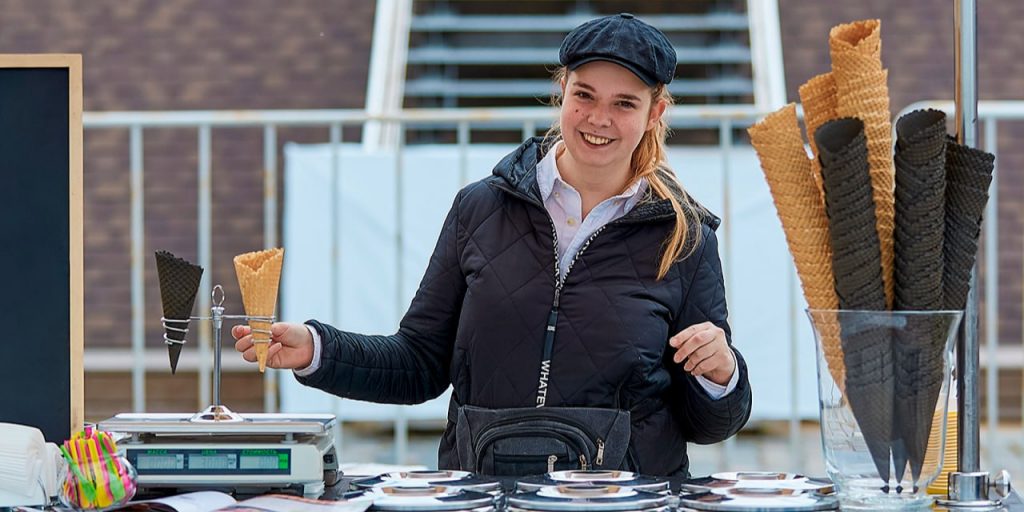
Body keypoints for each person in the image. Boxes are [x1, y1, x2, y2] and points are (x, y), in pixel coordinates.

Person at [233, 13, 751, 477]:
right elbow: (419, 362)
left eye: (624, 104)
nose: (599, 119)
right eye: (584, 95)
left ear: (655, 112)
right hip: (484, 490)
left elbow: (707, 424)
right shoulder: (479, 209)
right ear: (562, 92)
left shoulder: (685, 237)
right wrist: (317, 349)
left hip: (623, 498)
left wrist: (722, 374)